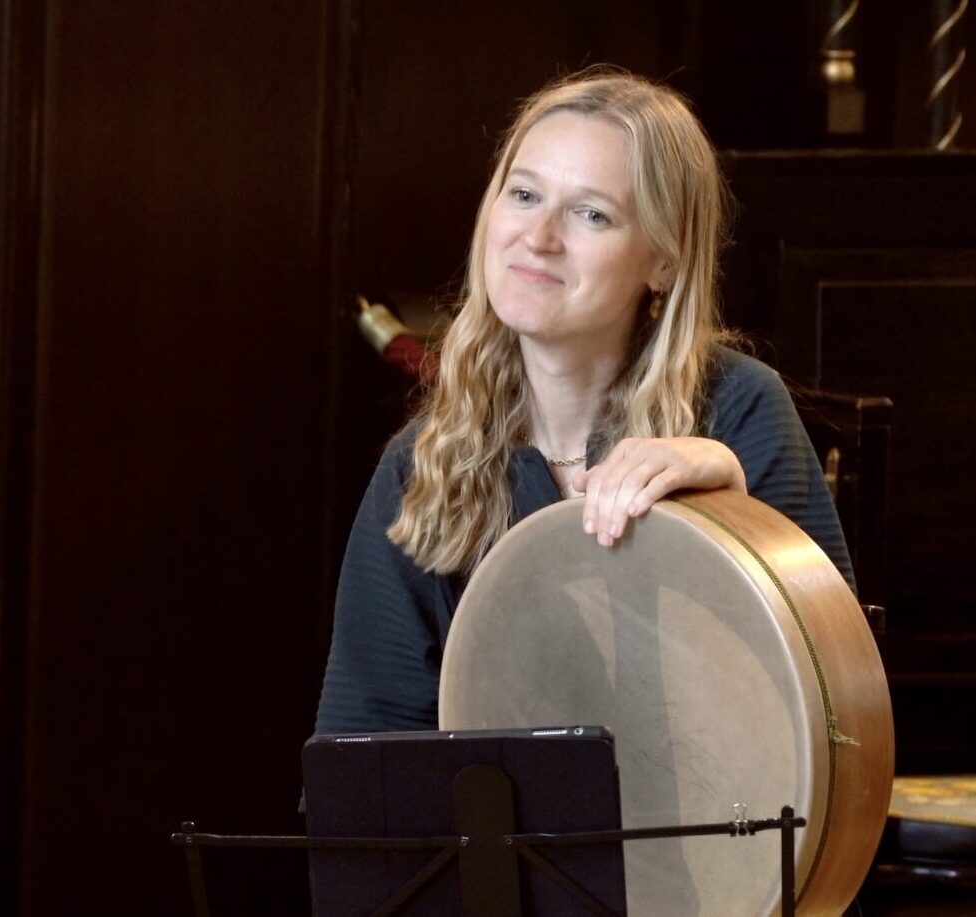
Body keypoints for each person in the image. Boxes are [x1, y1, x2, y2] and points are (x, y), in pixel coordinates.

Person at [313, 69, 854, 737]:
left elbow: (835, 722)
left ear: (663, 261)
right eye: (523, 194)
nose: (538, 237)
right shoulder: (423, 461)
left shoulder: (739, 411)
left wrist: (731, 522)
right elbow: (366, 757)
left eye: (591, 213)